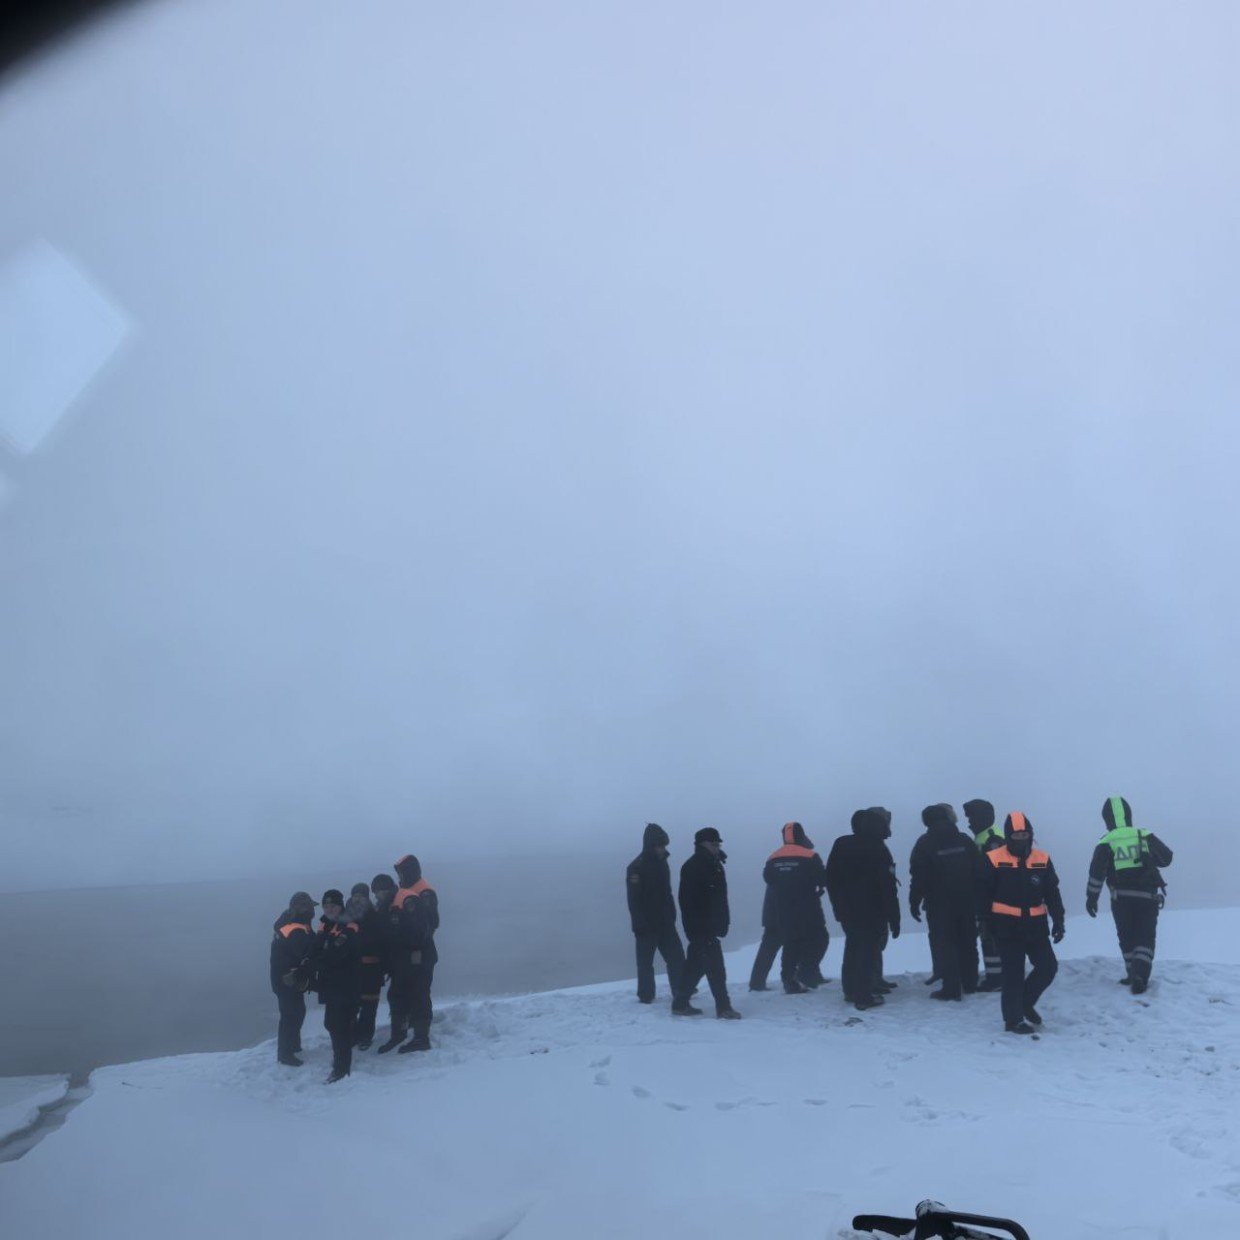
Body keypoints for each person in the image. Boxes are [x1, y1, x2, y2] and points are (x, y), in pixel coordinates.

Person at [979, 811, 1065, 1035]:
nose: (1021, 839)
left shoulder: (1042, 859)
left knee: (1048, 967)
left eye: (1025, 834)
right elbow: (982, 895)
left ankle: (1026, 1003)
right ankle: (1013, 1019)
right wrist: (984, 923)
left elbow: (1052, 893)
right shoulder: (993, 858)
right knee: (1012, 974)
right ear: (1008, 836)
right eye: (1016, 835)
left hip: (1036, 927)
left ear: (1031, 834)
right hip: (1006, 927)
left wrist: (1059, 920)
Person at [1086, 796, 1174, 994]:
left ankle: (1131, 973)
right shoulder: (1143, 834)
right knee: (1145, 937)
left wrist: (1091, 898)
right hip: (1147, 899)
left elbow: (1096, 874)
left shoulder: (1106, 841)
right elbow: (1166, 858)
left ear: (1107, 819)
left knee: (1126, 937)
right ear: (1129, 814)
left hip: (1121, 899)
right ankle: (1140, 976)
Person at [826, 809, 901, 1011]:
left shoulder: (842, 844)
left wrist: (837, 907)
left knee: (852, 948)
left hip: (848, 910)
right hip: (873, 910)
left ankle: (850, 990)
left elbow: (830, 878)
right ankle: (864, 996)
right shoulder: (878, 849)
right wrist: (894, 917)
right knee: (867, 951)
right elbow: (888, 886)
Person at [909, 804, 981, 1001]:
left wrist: (914, 901)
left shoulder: (924, 844)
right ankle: (970, 982)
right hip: (967, 901)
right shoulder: (964, 840)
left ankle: (951, 988)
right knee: (967, 940)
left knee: (945, 944)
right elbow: (978, 870)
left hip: (939, 904)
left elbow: (918, 876)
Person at [676, 827, 741, 1019]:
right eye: (713, 843)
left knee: (695, 966)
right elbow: (688, 901)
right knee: (716, 968)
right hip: (701, 926)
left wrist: (721, 922)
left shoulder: (714, 863)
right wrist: (701, 926)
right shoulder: (695, 866)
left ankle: (680, 1003)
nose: (717, 846)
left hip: (708, 926)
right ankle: (724, 1007)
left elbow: (718, 898)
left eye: (718, 843)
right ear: (702, 844)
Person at [378, 854, 440, 1054]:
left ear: (410, 871)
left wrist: (416, 949)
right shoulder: (404, 892)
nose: (399, 876)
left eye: (401, 872)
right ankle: (403, 1031)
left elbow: (430, 924)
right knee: (399, 994)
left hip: (420, 954)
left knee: (419, 993)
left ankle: (421, 1037)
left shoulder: (424, 891)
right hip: (404, 956)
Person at [761, 822, 829, 995]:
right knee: (819, 939)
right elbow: (822, 878)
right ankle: (806, 972)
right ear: (801, 835)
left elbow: (768, 878)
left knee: (791, 944)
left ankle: (789, 981)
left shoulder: (773, 857)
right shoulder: (810, 855)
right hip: (808, 907)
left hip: (783, 909)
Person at [626, 823, 687, 1005]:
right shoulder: (636, 867)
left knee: (676, 958)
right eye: (659, 845)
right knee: (645, 963)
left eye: (664, 845)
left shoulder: (663, 863)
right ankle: (646, 995)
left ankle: (680, 990)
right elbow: (633, 900)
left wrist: (672, 914)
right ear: (650, 845)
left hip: (666, 922)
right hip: (646, 925)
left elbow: (667, 893)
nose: (662, 849)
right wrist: (638, 924)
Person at [316, 889, 363, 1082]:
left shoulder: (349, 926)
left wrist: (323, 952)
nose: (329, 909)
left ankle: (341, 1068)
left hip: (346, 985)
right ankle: (342, 1057)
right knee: (333, 1024)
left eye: (332, 906)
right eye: (326, 906)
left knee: (338, 1026)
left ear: (340, 906)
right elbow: (317, 949)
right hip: (331, 984)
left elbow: (334, 955)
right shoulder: (326, 925)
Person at [270, 891, 318, 1067]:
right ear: (300, 908)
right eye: (309, 907)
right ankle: (285, 1053)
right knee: (291, 1015)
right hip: (286, 979)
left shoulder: (293, 924)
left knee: (297, 1012)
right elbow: (304, 950)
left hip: (287, 978)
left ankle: (293, 1045)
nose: (312, 911)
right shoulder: (295, 929)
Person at [963, 798, 1004, 991]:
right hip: (987, 897)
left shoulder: (992, 838)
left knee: (990, 937)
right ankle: (996, 976)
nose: (969, 822)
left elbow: (996, 872)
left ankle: (996, 979)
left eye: (971, 817)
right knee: (989, 936)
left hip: (991, 898)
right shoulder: (985, 836)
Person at [351, 879, 389, 1050]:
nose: (357, 899)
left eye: (361, 896)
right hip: (353, 969)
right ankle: (352, 1035)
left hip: (372, 969)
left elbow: (382, 941)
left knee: (369, 1005)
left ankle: (365, 1037)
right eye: (355, 896)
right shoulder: (347, 916)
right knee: (351, 1004)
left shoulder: (376, 915)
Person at [866, 806, 898, 995]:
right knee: (872, 944)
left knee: (878, 943)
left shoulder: (877, 844)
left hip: (877, 904)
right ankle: (871, 980)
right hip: (874, 905)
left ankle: (876, 978)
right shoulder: (875, 846)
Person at [747, 884, 782, 992]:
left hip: (773, 915)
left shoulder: (774, 869)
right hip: (779, 915)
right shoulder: (782, 870)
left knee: (767, 949)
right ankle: (800, 976)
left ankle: (757, 982)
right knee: (769, 949)